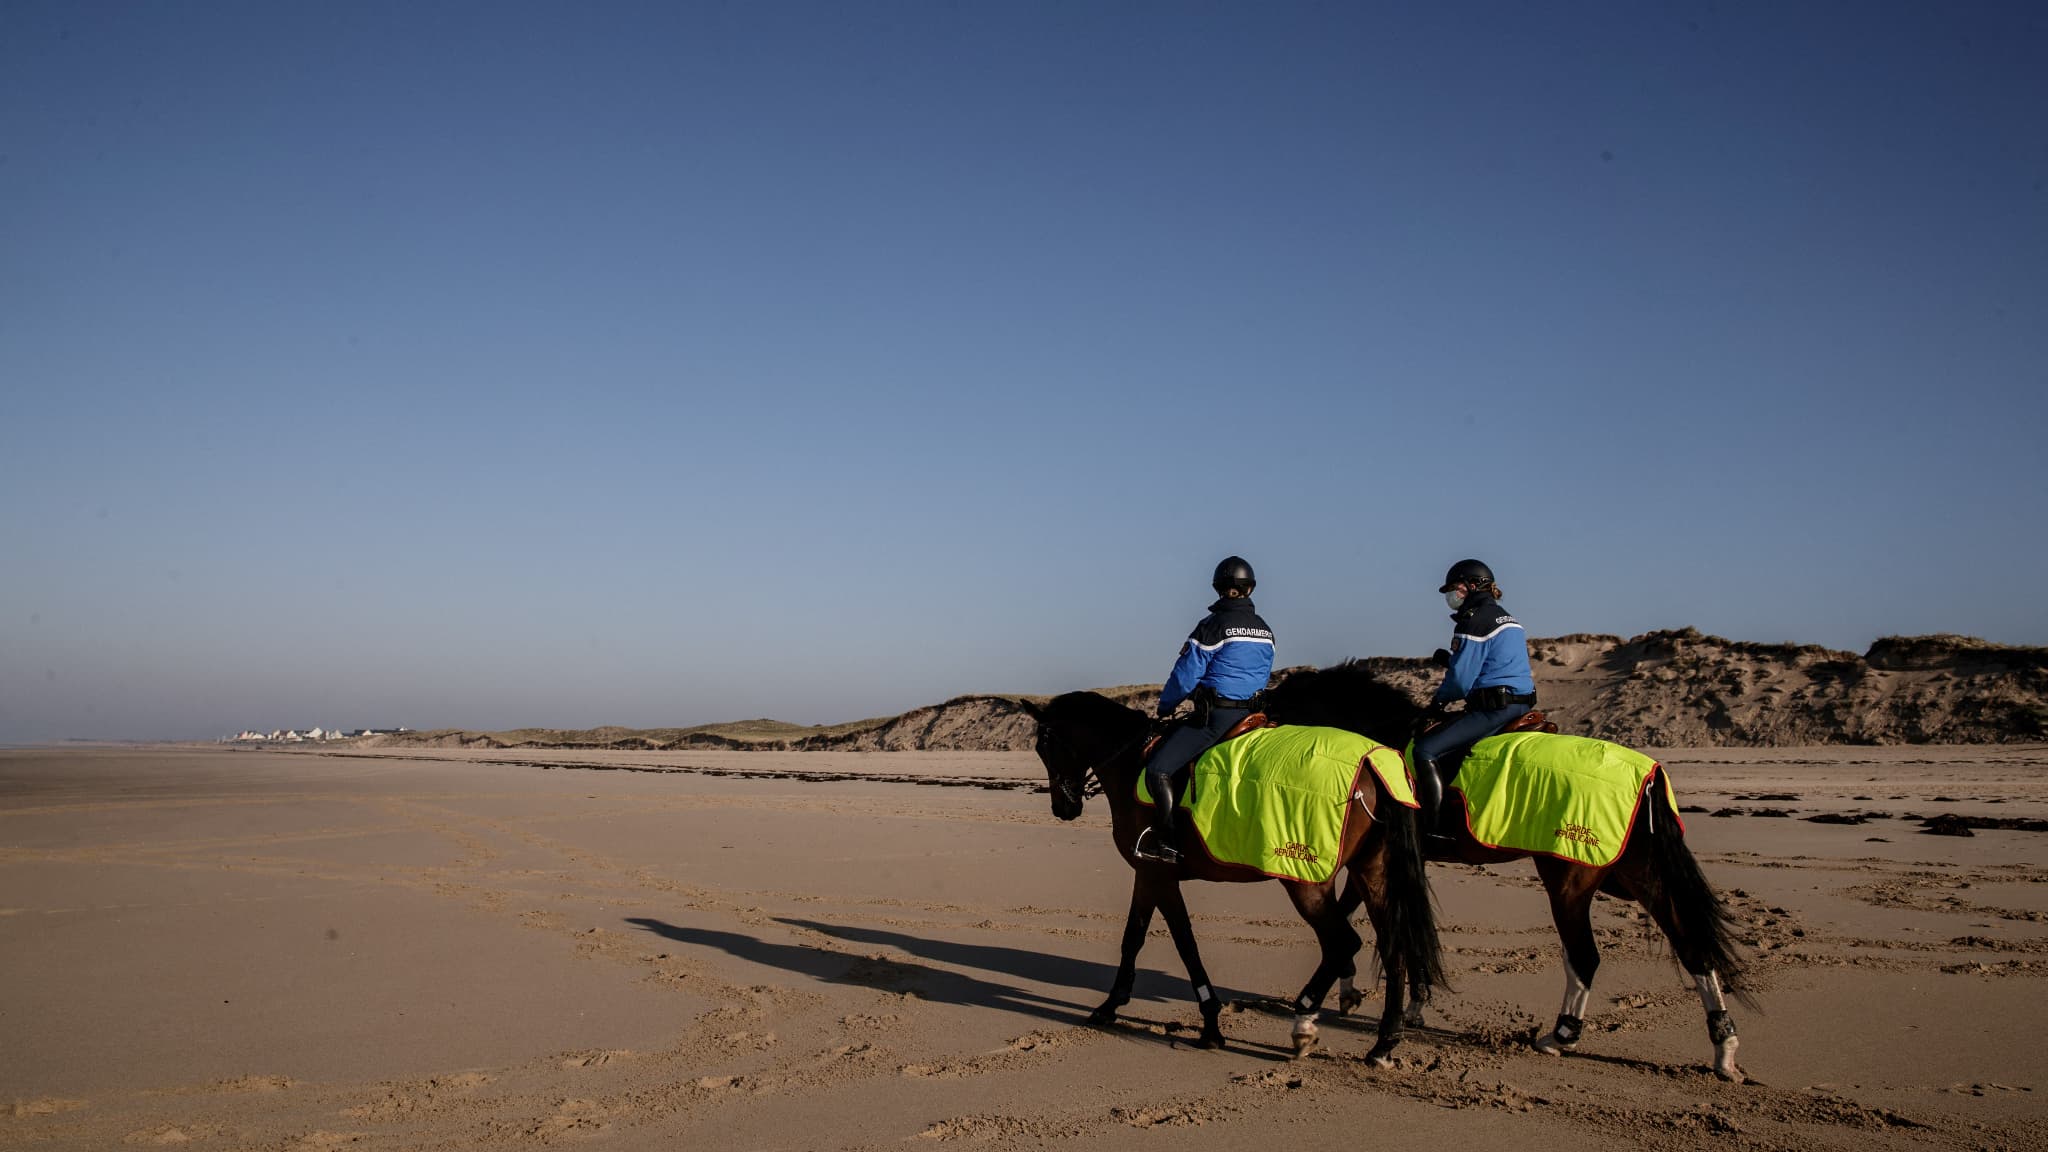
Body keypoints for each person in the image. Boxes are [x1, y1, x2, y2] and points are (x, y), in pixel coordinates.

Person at [1134, 556, 1276, 865]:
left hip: (1218, 718)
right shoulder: (1265, 630)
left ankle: (1168, 843)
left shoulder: (1212, 626)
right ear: (1250, 589)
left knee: (1158, 769)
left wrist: (1166, 706)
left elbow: (1185, 676)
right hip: (1254, 716)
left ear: (1218, 588)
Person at [1413, 558, 1536, 844]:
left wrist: (1437, 703)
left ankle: (1433, 829)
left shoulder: (1474, 620)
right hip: (1520, 704)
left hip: (1494, 709)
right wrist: (1451, 661)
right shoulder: (1507, 618)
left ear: (1471, 586)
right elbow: (1492, 664)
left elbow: (1460, 681)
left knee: (1425, 751)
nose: (1451, 596)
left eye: (1453, 588)